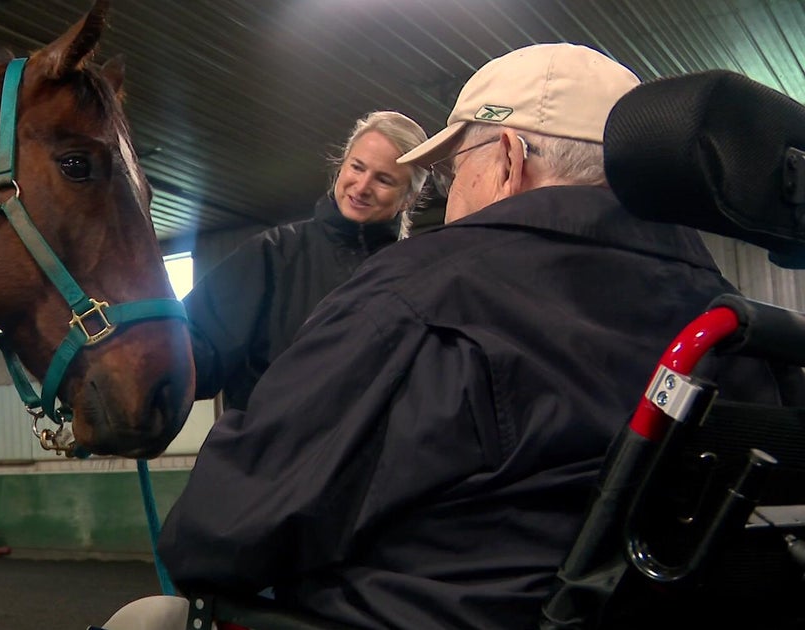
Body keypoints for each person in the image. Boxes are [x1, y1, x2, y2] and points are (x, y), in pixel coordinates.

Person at [152, 44, 803, 629]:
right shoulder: (737, 329)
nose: (452, 193)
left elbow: (218, 534)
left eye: (455, 169)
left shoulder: (414, 295)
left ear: (509, 160)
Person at [184, 111, 428, 410]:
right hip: (269, 439)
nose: (362, 186)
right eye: (357, 167)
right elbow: (193, 353)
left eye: (384, 179)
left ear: (408, 198)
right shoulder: (272, 254)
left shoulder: (417, 279)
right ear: (341, 166)